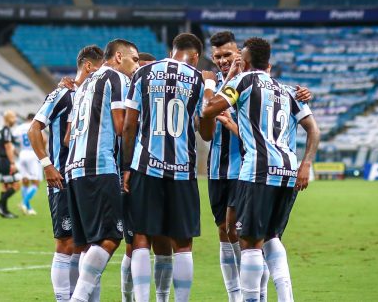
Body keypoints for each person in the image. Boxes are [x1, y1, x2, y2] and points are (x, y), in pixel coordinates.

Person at [202, 37, 321, 302]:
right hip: (287, 169)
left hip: (257, 169)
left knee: (250, 242)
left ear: (243, 61)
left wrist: (215, 83)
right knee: (270, 236)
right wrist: (306, 164)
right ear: (269, 64)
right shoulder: (288, 90)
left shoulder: (242, 81)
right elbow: (314, 129)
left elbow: (209, 109)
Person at [122, 33, 216, 302]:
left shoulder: (144, 72)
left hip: (145, 166)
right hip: (182, 169)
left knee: (140, 236)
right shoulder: (198, 78)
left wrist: (126, 166)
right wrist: (209, 89)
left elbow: (129, 125)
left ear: (172, 50)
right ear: (196, 56)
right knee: (183, 242)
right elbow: (207, 132)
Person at [28, 45, 104, 302]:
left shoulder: (92, 96)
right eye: (100, 68)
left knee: (86, 246)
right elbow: (34, 129)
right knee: (66, 244)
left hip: (85, 179)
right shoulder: (63, 94)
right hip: (62, 180)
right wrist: (47, 165)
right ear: (89, 66)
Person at [66, 39, 139, 302]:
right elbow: (122, 127)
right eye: (134, 59)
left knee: (89, 244)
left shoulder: (85, 83)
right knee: (110, 237)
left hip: (74, 168)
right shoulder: (116, 78)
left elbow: (66, 137)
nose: (136, 65)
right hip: (98, 166)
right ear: (119, 57)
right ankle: (78, 298)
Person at [0, 111, 21, 219]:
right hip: (5, 161)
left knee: (5, 186)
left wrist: (16, 153)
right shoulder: (7, 130)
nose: (15, 120)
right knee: (17, 184)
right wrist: (12, 162)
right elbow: (8, 147)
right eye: (13, 117)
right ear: (8, 118)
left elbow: (6, 146)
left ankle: (4, 211)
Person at [14, 113, 42, 215]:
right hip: (32, 154)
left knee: (25, 181)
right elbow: (43, 140)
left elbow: (11, 141)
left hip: (22, 154)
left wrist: (16, 153)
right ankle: (24, 203)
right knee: (36, 183)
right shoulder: (35, 125)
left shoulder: (19, 128)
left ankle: (28, 208)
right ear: (33, 118)